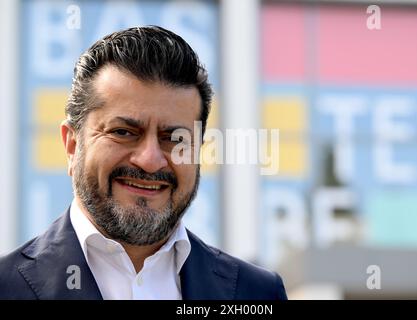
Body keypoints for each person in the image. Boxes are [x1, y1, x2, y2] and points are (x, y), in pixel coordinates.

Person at [0, 26, 287, 300]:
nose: (150, 161)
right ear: (73, 145)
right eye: (123, 132)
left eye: (174, 138)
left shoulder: (258, 292)